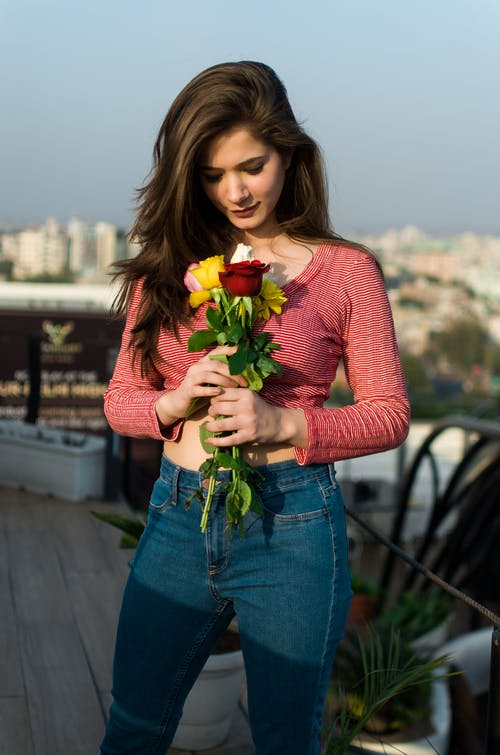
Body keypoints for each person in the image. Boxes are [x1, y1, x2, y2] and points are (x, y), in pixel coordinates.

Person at [100, 60, 410, 755]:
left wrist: (287, 423)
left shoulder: (347, 271)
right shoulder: (172, 267)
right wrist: (175, 400)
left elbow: (389, 412)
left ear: (289, 153)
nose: (234, 190)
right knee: (132, 729)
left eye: (252, 166)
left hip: (292, 525)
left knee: (285, 741)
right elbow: (120, 399)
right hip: (179, 516)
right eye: (212, 175)